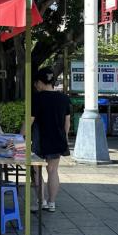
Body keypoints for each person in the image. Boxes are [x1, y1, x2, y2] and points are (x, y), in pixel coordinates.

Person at [26, 67, 71, 212]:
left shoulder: (37, 98)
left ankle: (41, 202)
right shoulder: (64, 98)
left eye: (36, 83)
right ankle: (52, 203)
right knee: (53, 171)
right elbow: (67, 122)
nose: (35, 85)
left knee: (36, 170)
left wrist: (20, 137)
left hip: (39, 140)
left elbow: (29, 121)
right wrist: (64, 137)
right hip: (57, 139)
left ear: (40, 82)